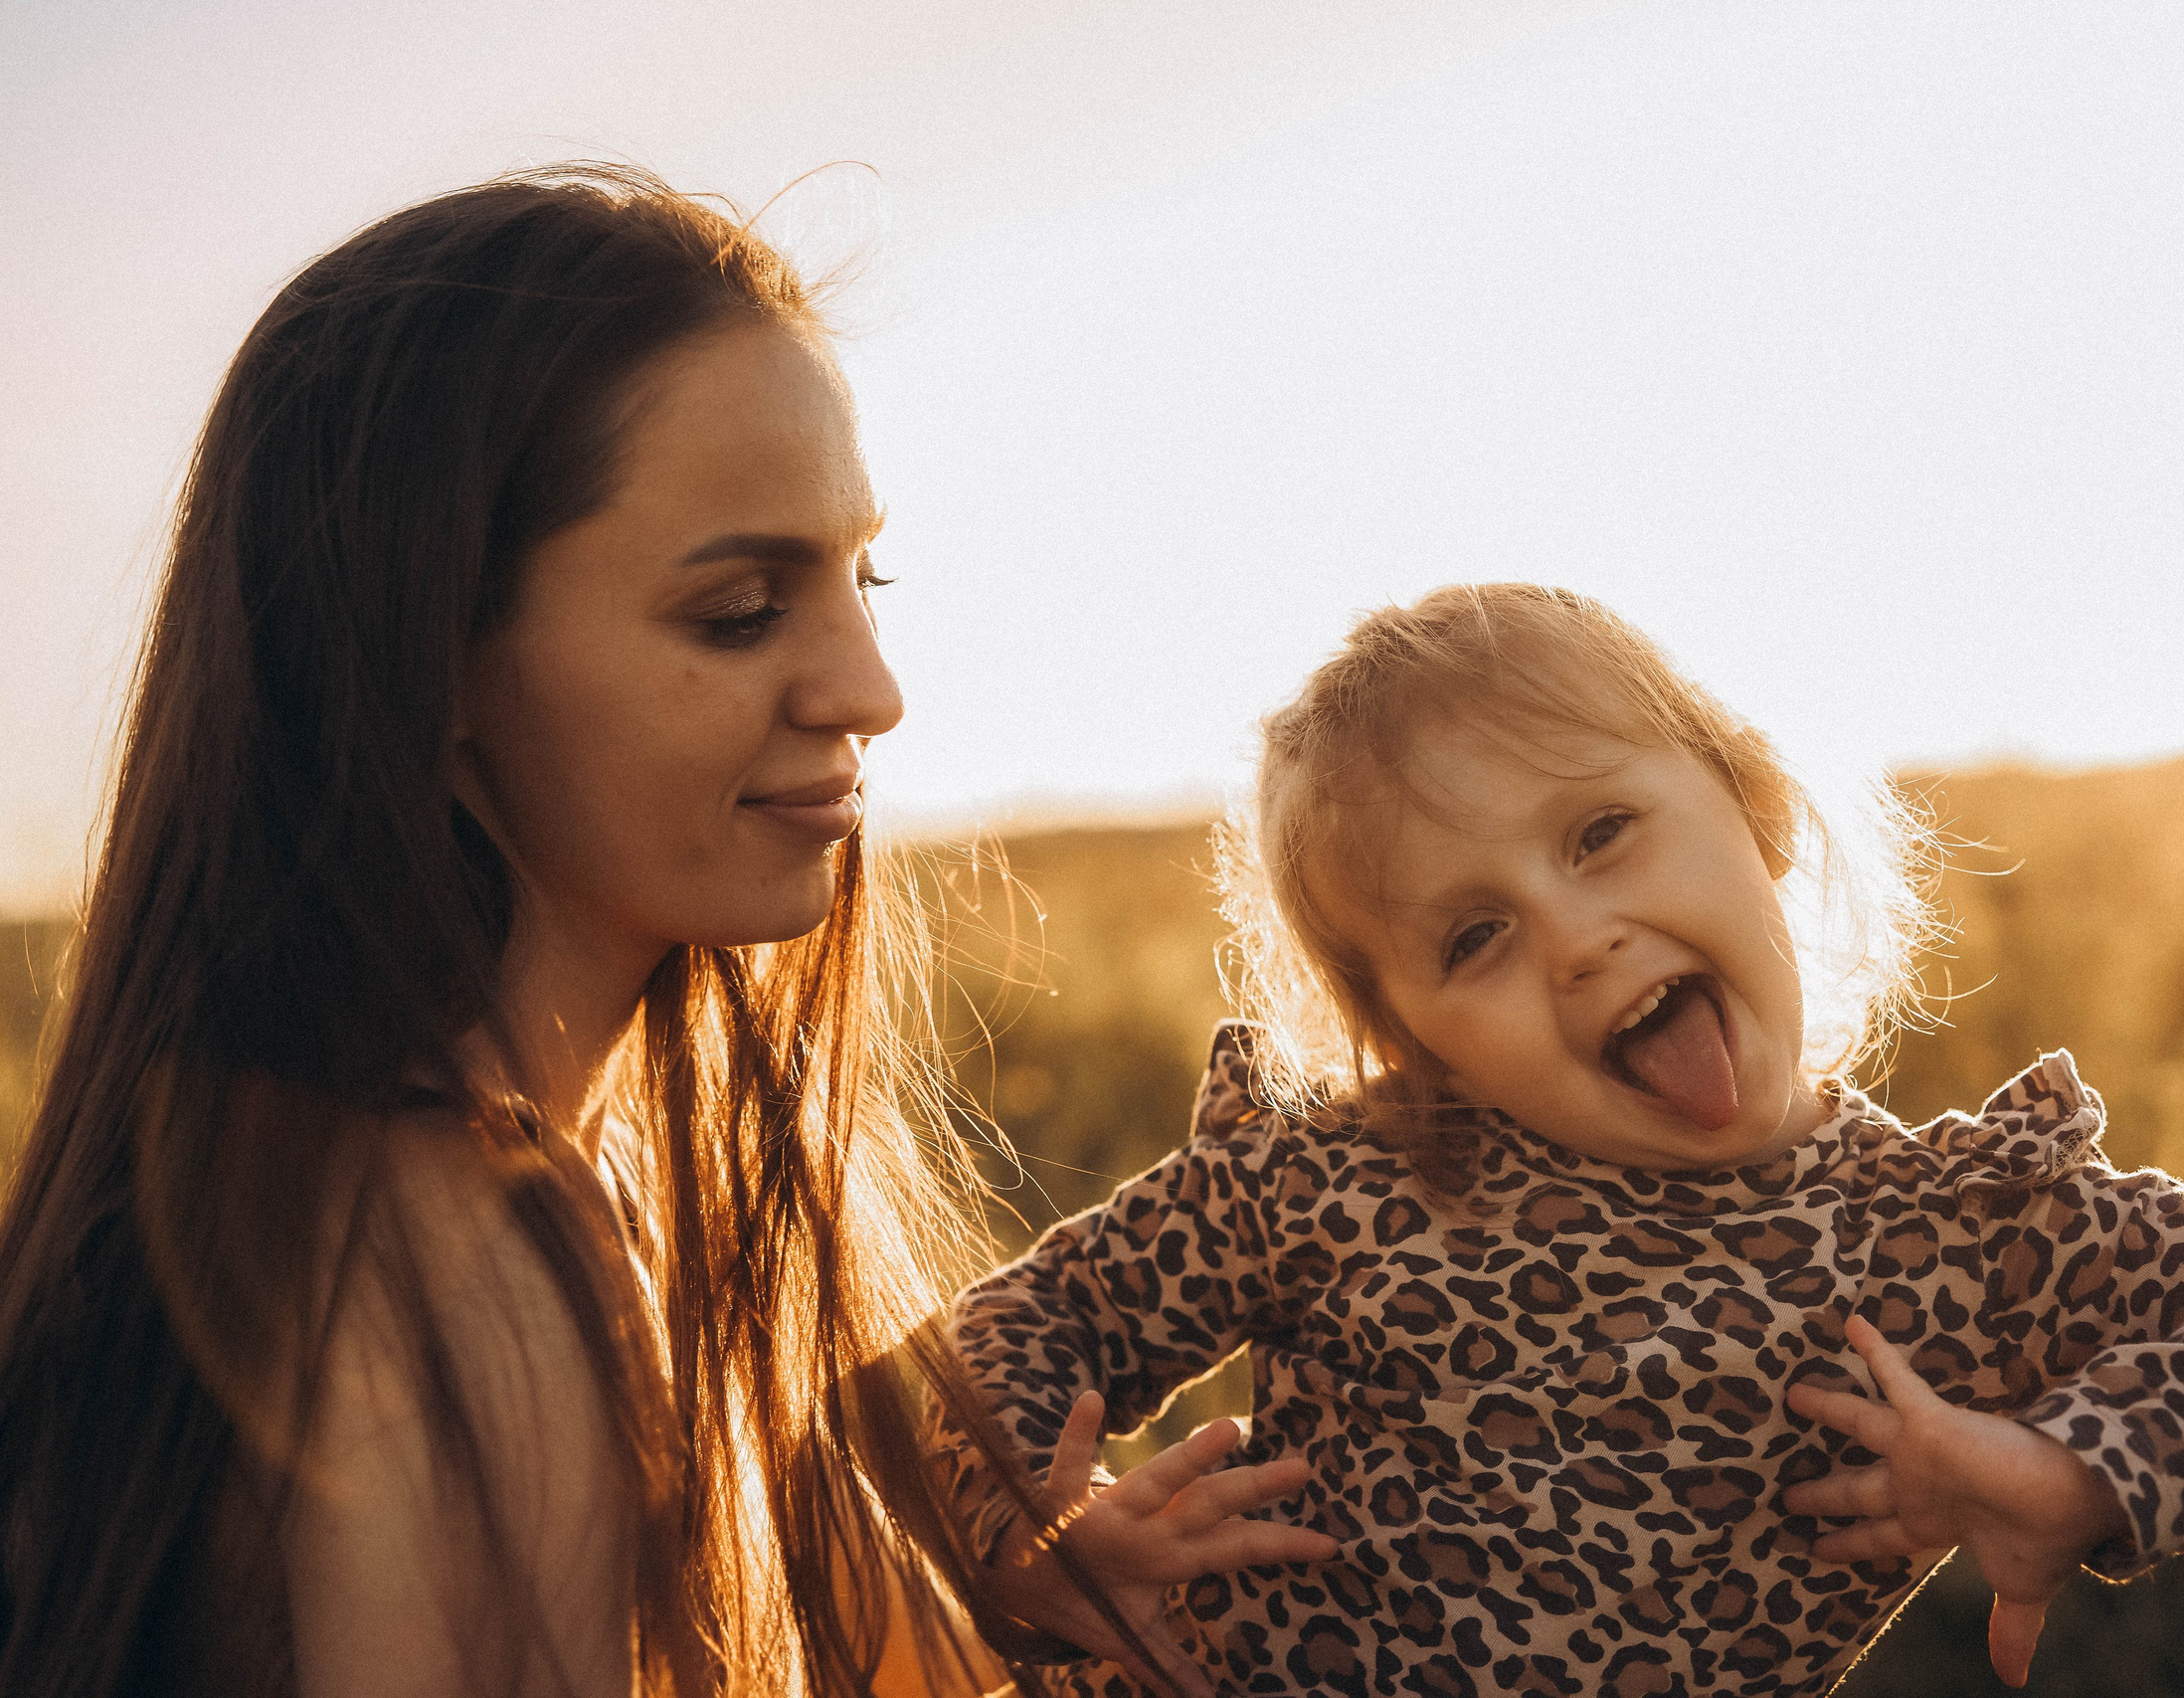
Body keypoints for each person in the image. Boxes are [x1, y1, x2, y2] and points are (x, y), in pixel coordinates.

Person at [0, 164, 1316, 1698]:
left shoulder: (600, 1177)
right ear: (428, 670)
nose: (870, 690)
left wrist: (1004, 1609)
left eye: (860, 579)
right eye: (741, 610)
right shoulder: (464, 1257)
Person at [940, 583, 2184, 1697]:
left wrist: (2068, 1470)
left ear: (1753, 810)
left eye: (1601, 834)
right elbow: (1015, 1329)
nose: (1577, 939)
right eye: (1475, 936)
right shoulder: (1345, 1180)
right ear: (1409, 1032)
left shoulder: (1948, 1241)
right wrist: (1036, 1554)